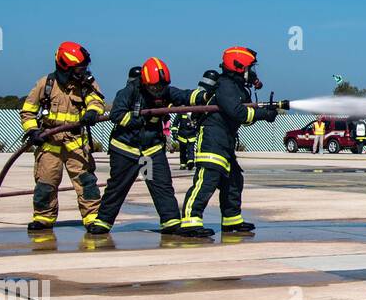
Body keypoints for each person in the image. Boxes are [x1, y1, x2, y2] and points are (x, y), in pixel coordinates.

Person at [177, 46, 279, 237]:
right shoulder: (225, 86)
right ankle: (190, 221)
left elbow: (245, 116)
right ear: (239, 67)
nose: (253, 73)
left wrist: (265, 112)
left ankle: (232, 220)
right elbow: (238, 112)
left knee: (234, 180)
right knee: (207, 181)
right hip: (212, 139)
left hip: (226, 141)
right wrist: (264, 114)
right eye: (251, 68)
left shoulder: (238, 88)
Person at [88, 57, 193, 234]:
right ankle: (103, 222)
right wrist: (137, 120)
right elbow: (117, 114)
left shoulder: (165, 91)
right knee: (118, 187)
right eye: (154, 88)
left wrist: (205, 95)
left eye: (161, 87)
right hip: (125, 151)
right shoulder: (129, 92)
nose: (158, 91)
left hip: (149, 154)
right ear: (144, 83)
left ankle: (171, 221)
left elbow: (183, 95)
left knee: (160, 185)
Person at [19, 41, 106, 232]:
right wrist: (34, 131)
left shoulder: (86, 83)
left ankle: (92, 218)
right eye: (79, 67)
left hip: (75, 143)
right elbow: (28, 111)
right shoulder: (46, 84)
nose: (83, 71)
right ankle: (43, 218)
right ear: (65, 66)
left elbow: (96, 99)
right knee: (45, 183)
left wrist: (92, 111)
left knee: (86, 182)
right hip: (50, 144)